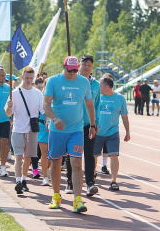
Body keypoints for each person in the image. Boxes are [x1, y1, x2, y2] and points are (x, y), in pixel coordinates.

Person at [43, 56, 96, 213]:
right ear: (63, 66)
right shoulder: (53, 81)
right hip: (57, 129)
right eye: (69, 69)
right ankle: (56, 196)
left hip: (77, 130)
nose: (72, 73)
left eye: (75, 70)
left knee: (77, 163)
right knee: (56, 162)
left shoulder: (83, 82)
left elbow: (89, 104)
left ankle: (77, 200)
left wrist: (92, 125)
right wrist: (55, 118)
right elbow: (46, 103)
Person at [5, 66, 46, 193]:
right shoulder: (15, 93)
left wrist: (50, 120)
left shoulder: (37, 93)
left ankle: (23, 180)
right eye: (27, 78)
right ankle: (17, 181)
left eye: (31, 78)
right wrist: (9, 106)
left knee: (28, 157)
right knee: (18, 156)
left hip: (31, 130)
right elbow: (7, 113)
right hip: (18, 129)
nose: (29, 80)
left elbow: (43, 110)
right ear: (22, 77)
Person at [64, 54, 100, 197]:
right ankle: (70, 182)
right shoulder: (73, 81)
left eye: (89, 65)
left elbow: (96, 105)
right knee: (71, 154)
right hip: (73, 123)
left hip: (88, 124)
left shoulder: (96, 85)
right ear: (79, 66)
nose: (86, 67)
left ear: (92, 68)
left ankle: (90, 183)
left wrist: (94, 123)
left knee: (89, 154)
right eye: (84, 64)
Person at [94, 76, 130, 191]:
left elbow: (124, 116)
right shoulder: (97, 97)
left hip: (112, 131)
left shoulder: (120, 98)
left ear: (106, 86)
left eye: (100, 85)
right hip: (97, 131)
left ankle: (114, 181)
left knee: (114, 155)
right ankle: (92, 176)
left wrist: (128, 132)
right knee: (94, 155)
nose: (99, 88)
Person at [35, 77, 51, 186]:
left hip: (55, 126)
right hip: (42, 126)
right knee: (44, 153)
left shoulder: (58, 96)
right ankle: (45, 177)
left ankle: (48, 168)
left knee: (52, 154)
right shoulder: (40, 96)